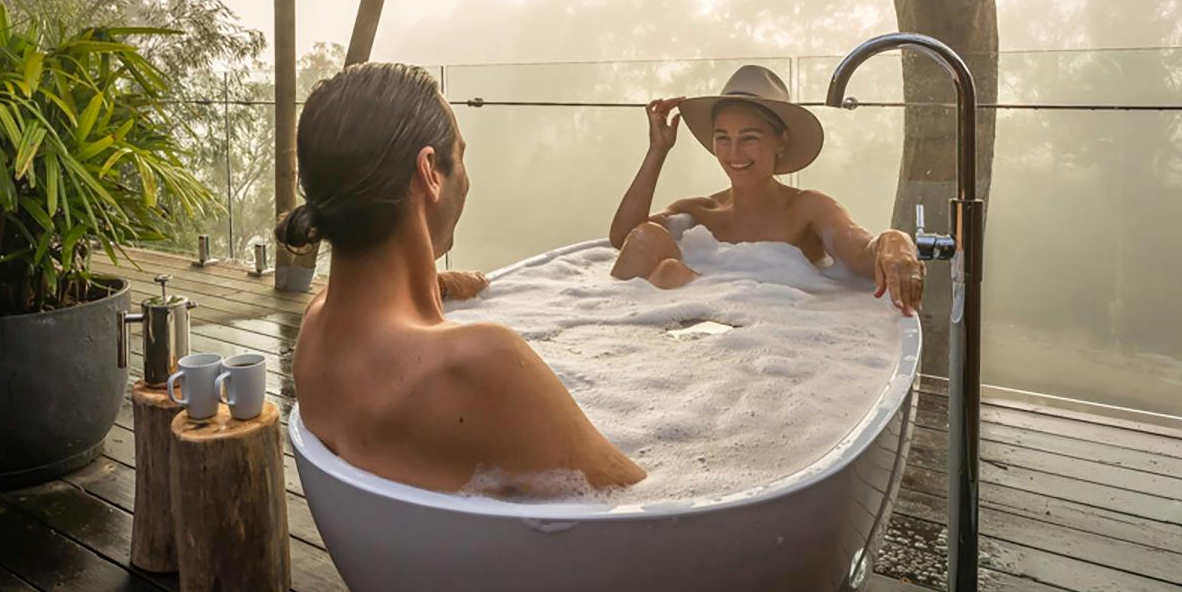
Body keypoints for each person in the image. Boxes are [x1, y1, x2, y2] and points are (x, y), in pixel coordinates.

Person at [283, 62, 646, 497]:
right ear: (430, 172)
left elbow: (381, 305)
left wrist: (442, 282)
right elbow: (639, 506)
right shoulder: (478, 363)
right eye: (461, 156)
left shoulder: (317, 326)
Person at [607, 64, 925, 315]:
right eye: (723, 138)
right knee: (657, 254)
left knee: (670, 273)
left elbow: (863, 254)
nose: (734, 153)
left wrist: (897, 239)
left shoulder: (808, 209)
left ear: (780, 140)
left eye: (749, 138)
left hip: (778, 341)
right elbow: (624, 239)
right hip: (702, 345)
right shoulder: (699, 213)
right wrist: (657, 151)